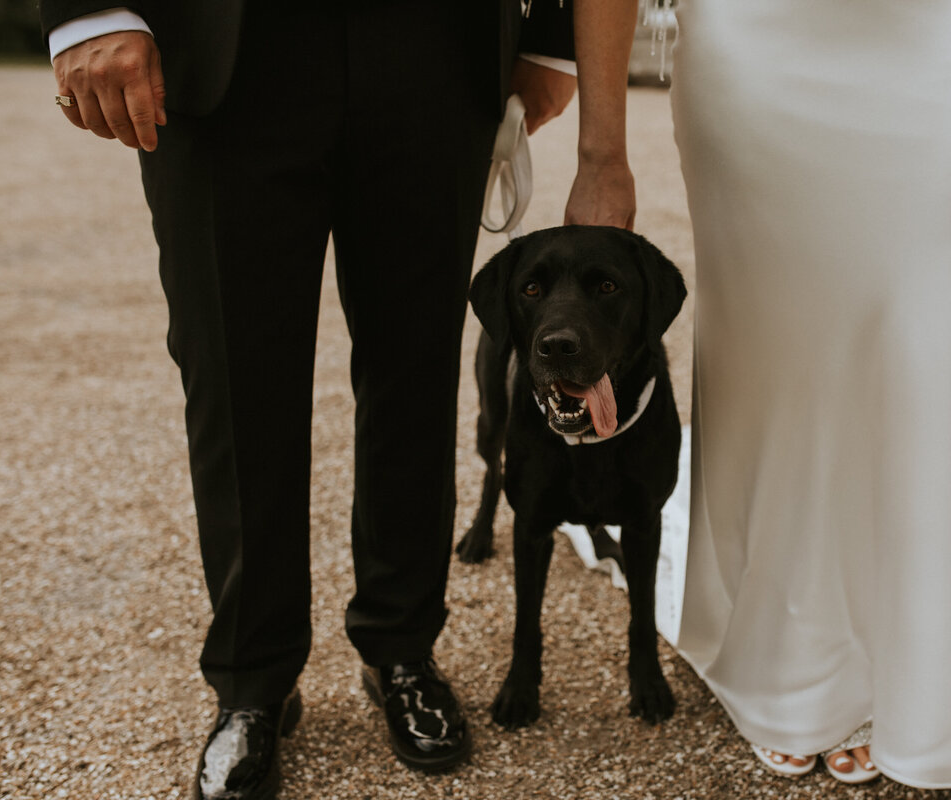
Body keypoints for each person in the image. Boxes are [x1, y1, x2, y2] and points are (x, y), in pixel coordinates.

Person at [41, 1, 635, 797]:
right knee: (232, 370)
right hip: (229, 44)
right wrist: (90, 9)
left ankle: (401, 646)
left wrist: (554, 38)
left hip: (436, 42)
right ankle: (252, 679)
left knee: (416, 364)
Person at [593, 0, 951, 789]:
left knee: (927, 353)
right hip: (757, 47)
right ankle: (789, 656)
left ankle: (914, 663)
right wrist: (601, 149)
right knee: (775, 361)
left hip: (940, 51)